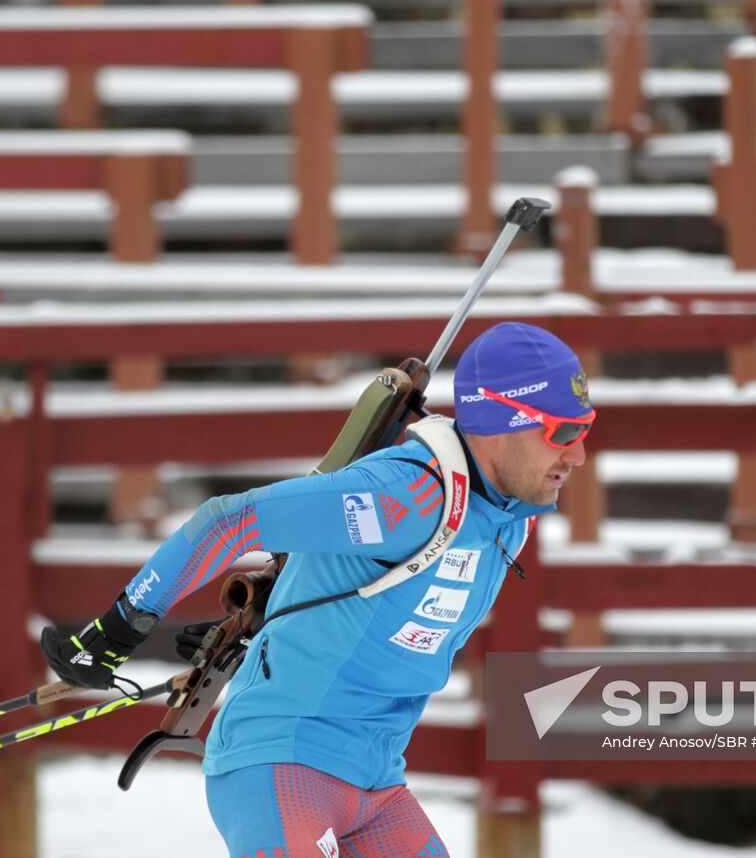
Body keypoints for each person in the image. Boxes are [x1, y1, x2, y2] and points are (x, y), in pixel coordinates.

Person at [42, 322, 595, 858]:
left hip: (376, 783)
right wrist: (116, 630)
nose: (577, 455)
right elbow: (227, 520)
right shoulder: (408, 497)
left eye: (585, 430)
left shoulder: (509, 518)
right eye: (562, 433)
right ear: (501, 421)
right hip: (284, 762)